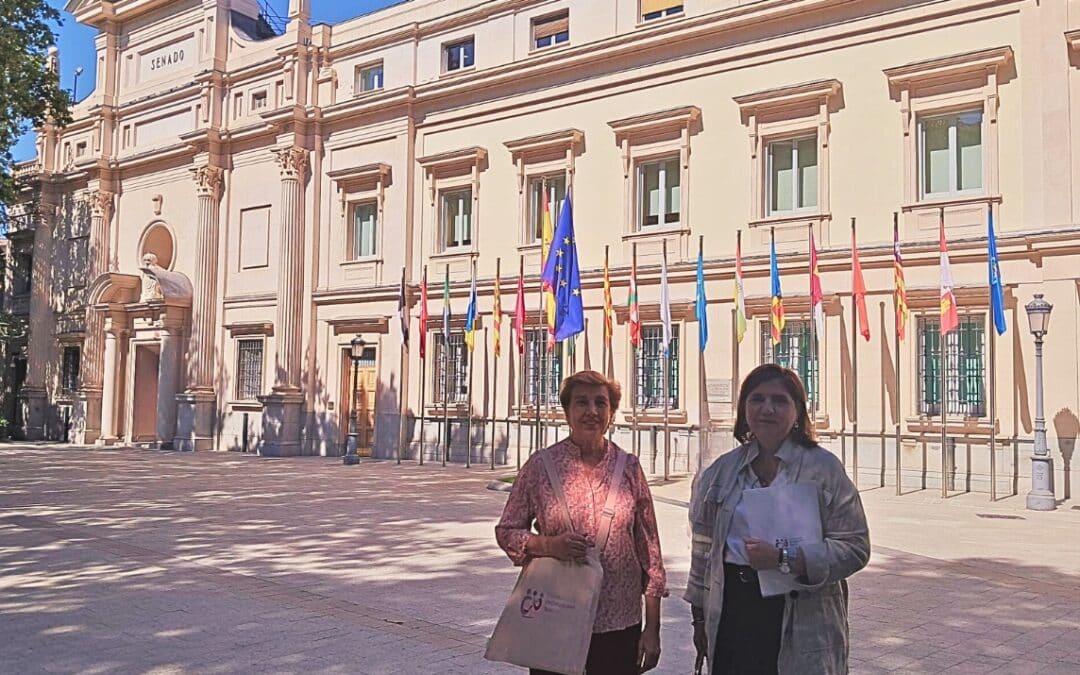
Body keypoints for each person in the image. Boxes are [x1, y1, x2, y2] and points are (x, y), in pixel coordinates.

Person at [686, 364, 870, 674]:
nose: (767, 409)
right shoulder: (722, 471)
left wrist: (788, 558)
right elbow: (703, 551)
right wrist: (700, 618)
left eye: (780, 400)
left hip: (802, 613)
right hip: (734, 611)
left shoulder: (824, 470)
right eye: (756, 399)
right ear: (744, 408)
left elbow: (855, 546)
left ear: (798, 411)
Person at [495, 370, 667, 675]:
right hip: (554, 614)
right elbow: (507, 530)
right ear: (567, 412)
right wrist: (548, 545)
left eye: (601, 403)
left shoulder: (629, 468)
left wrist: (652, 629)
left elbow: (650, 552)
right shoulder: (541, 467)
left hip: (619, 620)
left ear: (612, 413)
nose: (592, 411)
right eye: (581, 403)